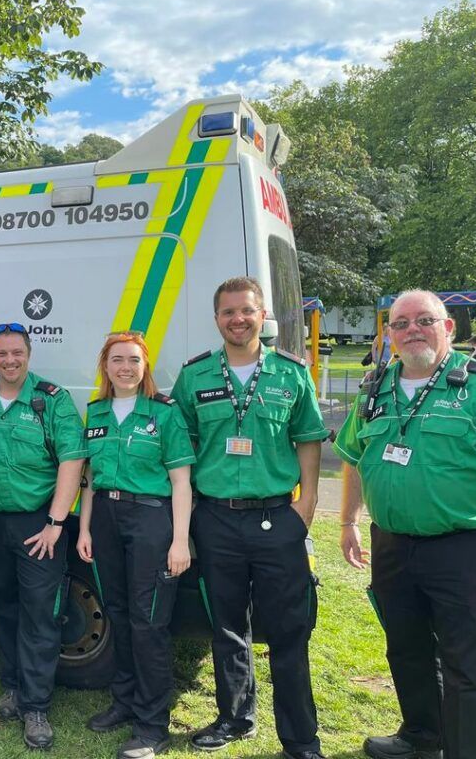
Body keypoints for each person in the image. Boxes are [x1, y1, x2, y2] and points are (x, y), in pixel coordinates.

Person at [334, 290, 476, 759]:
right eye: (401, 323)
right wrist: (348, 520)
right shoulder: (375, 388)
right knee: (406, 650)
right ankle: (421, 737)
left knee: (471, 668)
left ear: (448, 328)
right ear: (390, 335)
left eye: (424, 320)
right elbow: (354, 456)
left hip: (466, 550)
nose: (412, 330)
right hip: (393, 548)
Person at [171, 276, 327, 759]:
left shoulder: (290, 372)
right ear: (216, 318)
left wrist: (307, 505)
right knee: (227, 627)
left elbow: (309, 438)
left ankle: (300, 740)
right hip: (217, 519)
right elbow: (181, 445)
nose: (238, 319)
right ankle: (235, 718)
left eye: (247, 310)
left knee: (287, 631)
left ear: (263, 316)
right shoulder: (194, 376)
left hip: (279, 518)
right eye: (228, 312)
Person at [0, 322, 86, 751]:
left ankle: (35, 705)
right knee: (0, 609)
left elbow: (73, 459)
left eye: (17, 352)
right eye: (2, 353)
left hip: (39, 526)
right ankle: (13, 685)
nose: (10, 360)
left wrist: (55, 523)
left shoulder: (50, 400)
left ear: (29, 354)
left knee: (40, 615)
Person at [76, 331, 195, 759]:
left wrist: (180, 540)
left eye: (133, 360)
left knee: (149, 623)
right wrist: (85, 529)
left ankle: (152, 724)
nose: (125, 367)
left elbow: (181, 481)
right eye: (116, 360)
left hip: (150, 518)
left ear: (144, 366)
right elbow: (88, 480)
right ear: (105, 367)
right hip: (106, 517)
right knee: (119, 613)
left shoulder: (164, 414)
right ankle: (124, 702)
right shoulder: (96, 413)